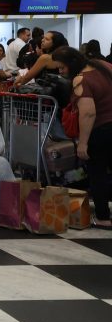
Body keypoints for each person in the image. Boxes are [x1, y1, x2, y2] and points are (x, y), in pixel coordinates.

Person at [51, 46, 112, 230]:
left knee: (98, 173)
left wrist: (83, 143)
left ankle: (103, 218)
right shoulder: (103, 65)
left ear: (72, 63)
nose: (60, 72)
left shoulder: (81, 80)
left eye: (62, 67)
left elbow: (88, 113)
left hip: (101, 131)